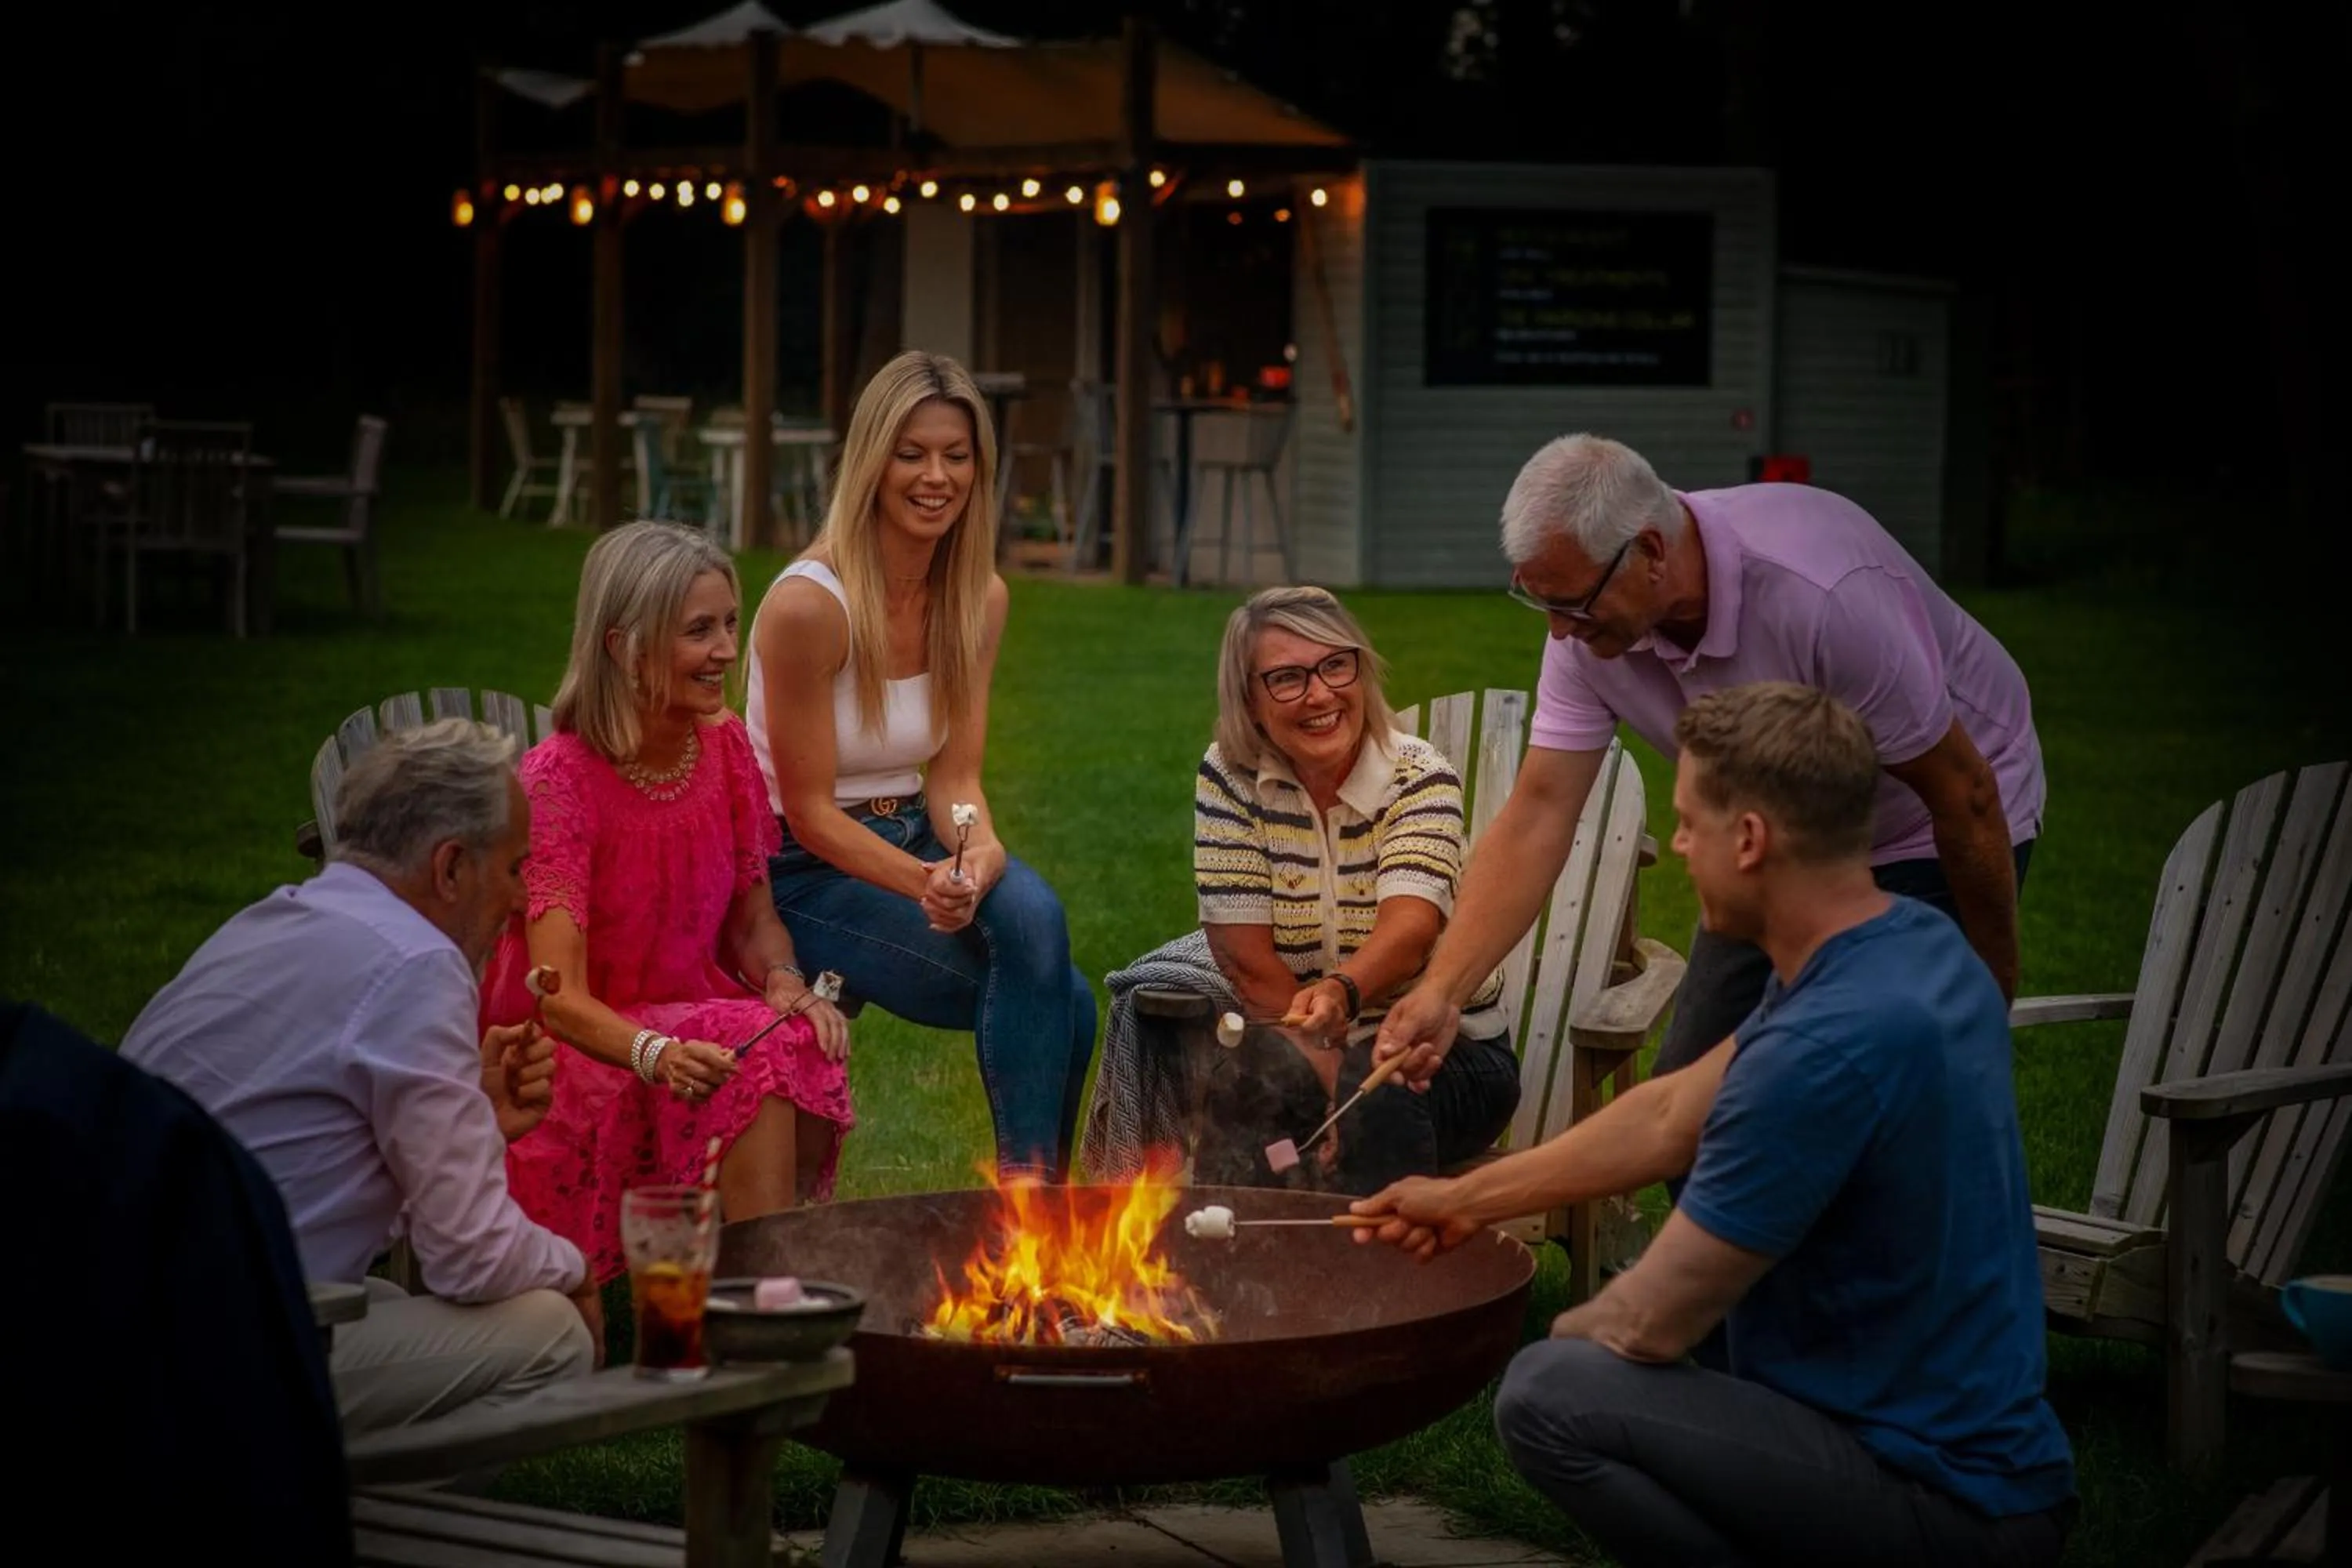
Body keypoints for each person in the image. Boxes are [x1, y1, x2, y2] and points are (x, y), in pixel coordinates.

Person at [1353, 684, 2076, 1568]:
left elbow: (1649, 1321)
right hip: (1999, 1462)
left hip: (1938, 1498)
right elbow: (1667, 1110)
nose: (1681, 846)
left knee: (1550, 1389)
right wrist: (1466, 1195)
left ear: (1751, 839)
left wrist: (1535, 1339)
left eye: (1690, 822)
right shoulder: (1909, 946)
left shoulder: (1821, 1055)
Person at [1377, 434, 2044, 1094]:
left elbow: (1965, 795)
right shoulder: (1588, 633)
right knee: (1694, 1096)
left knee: (1856, 1086)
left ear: (1651, 552)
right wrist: (1443, 992)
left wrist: (1988, 999)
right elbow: (1540, 813)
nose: (1558, 631)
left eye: (1573, 603)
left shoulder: (1823, 595)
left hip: (1931, 819)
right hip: (1772, 832)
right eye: (1538, 600)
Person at [120, 720, 597, 1433]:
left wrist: (478, 1116)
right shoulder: (416, 964)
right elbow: (473, 1257)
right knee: (552, 1330)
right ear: (450, 869)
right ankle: (355, 1527)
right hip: (201, 1357)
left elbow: (314, 1176)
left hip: (115, 1314)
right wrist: (577, 1269)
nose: (524, 898)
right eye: (513, 868)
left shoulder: (268, 923)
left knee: (390, 1303)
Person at [746, 350, 1095, 1181]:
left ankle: (1031, 1217)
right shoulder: (810, 605)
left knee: (1035, 916)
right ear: (873, 458)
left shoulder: (979, 597)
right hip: (799, 871)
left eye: (956, 454)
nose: (936, 476)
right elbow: (808, 811)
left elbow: (954, 778)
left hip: (912, 832)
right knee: (1069, 1005)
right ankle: (1033, 1213)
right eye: (912, 453)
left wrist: (977, 852)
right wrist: (922, 881)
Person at [488, 521, 853, 1289]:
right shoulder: (560, 779)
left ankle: (767, 1276)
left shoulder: (720, 749)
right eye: (699, 630)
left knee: (795, 1035)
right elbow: (556, 996)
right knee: (749, 1047)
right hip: (581, 1041)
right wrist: (654, 1053)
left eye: (729, 623)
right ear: (623, 645)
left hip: (689, 1008)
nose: (727, 649)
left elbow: (755, 920)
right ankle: (763, 1301)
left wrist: (785, 979)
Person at [1091, 586, 1520, 1193]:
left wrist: (1344, 1011)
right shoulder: (1230, 778)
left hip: (1442, 1054)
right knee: (1247, 1092)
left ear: (1360, 670)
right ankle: (1228, 1280)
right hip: (1294, 1033)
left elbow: (1410, 930)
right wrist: (1324, 1070)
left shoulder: (1418, 776)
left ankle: (1377, 1284)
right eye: (1287, 679)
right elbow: (1244, 959)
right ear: (1251, 700)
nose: (1320, 694)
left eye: (1335, 666)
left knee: (1375, 1106)